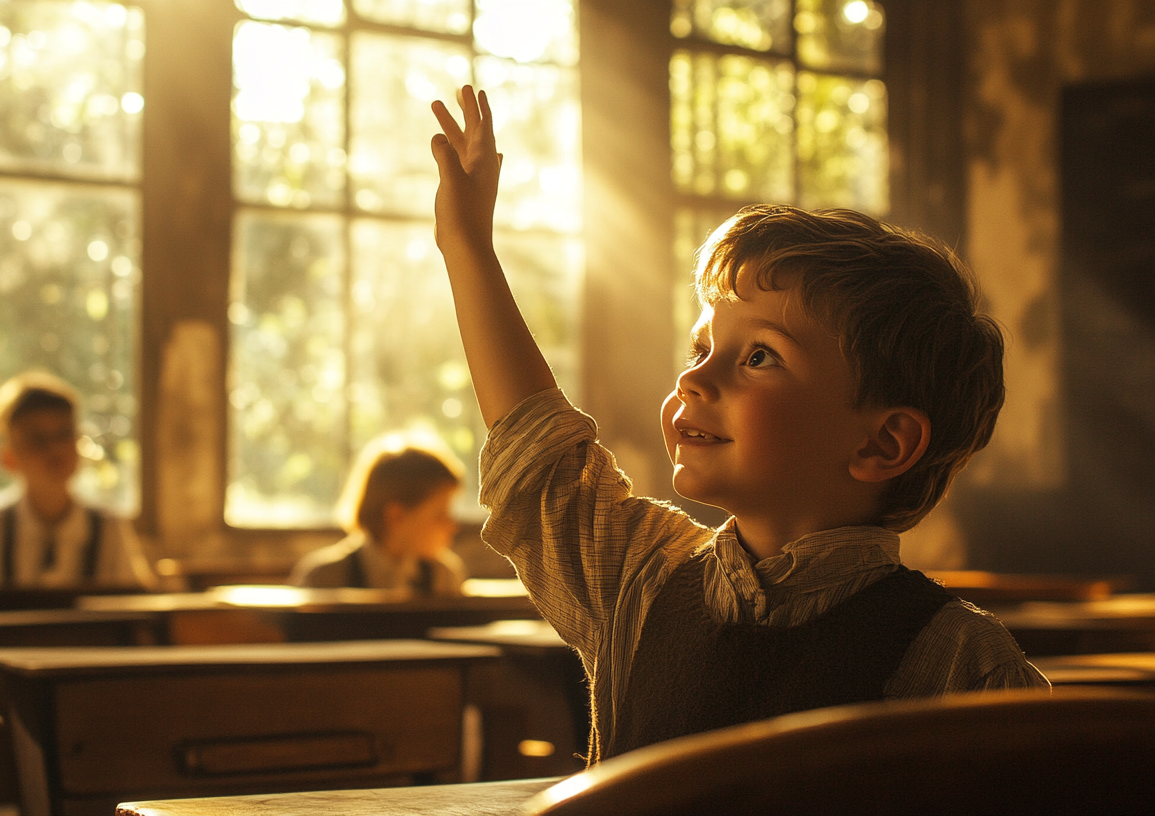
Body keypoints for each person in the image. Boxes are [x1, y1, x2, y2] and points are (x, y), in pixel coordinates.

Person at [428, 86, 1048, 762]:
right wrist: (468, 248)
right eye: (701, 350)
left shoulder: (963, 662)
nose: (695, 379)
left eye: (759, 357)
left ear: (882, 442)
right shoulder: (643, 576)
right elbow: (538, 455)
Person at [0, 371, 155, 589]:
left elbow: (133, 609)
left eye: (64, 435)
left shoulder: (108, 528)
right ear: (8, 456)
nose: (54, 449)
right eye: (37, 439)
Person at [289, 434, 467, 595]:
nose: (452, 525)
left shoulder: (444, 577)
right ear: (396, 516)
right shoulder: (324, 578)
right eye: (440, 514)